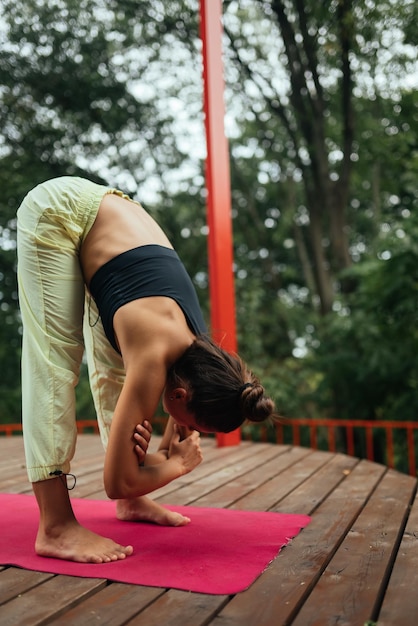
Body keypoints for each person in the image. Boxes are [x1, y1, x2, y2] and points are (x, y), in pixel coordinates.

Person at [17, 176, 276, 564]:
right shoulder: (155, 355)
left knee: (111, 377)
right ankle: (55, 526)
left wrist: (146, 468)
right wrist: (176, 465)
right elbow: (117, 481)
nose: (187, 433)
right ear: (179, 396)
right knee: (55, 367)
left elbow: (136, 467)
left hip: (115, 229)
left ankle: (135, 506)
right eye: (195, 427)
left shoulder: (203, 358)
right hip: (59, 210)